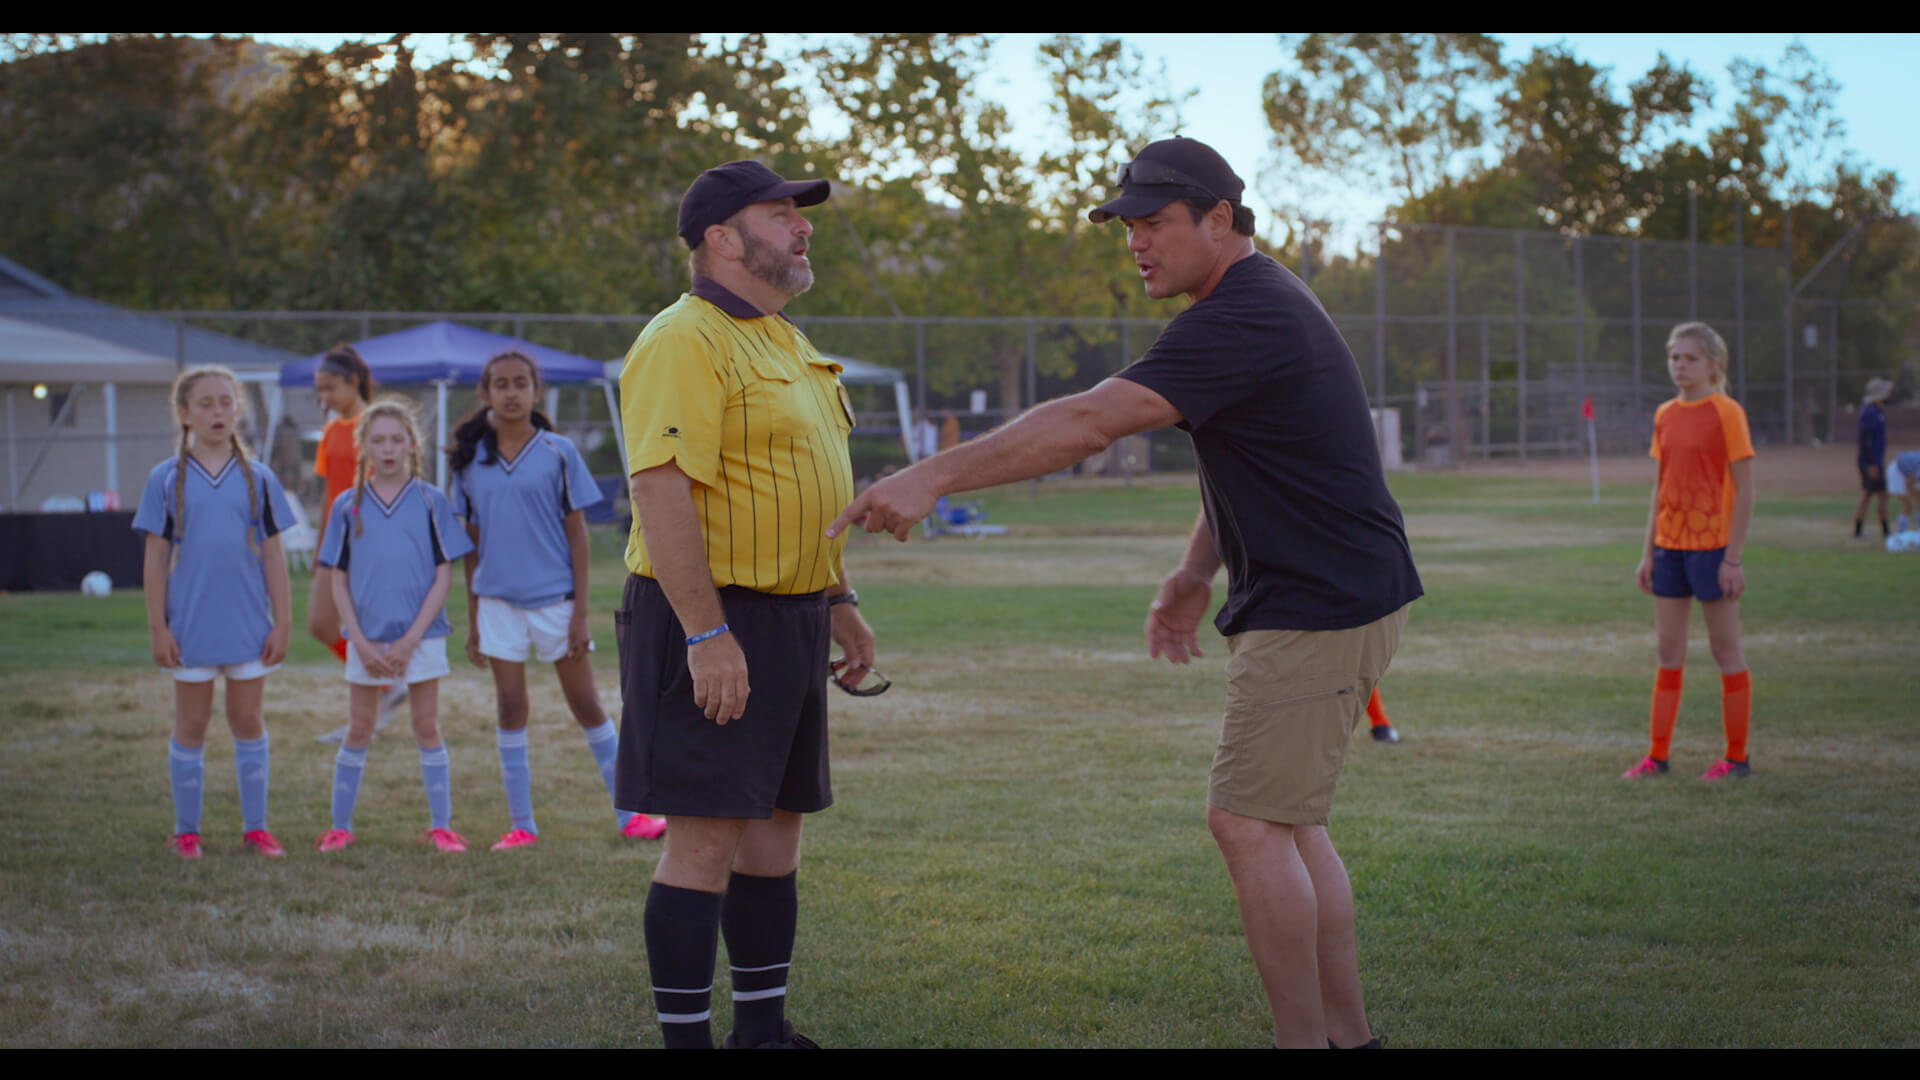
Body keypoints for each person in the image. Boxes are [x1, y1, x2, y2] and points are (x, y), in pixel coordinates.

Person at [830, 137, 1421, 1050]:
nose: (1136, 243)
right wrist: (1193, 572)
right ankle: (1348, 1039)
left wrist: (934, 475)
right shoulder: (1254, 302)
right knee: (1289, 827)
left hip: (1319, 604)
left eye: (1154, 223)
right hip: (1337, 592)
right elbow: (1255, 460)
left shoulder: (1241, 315)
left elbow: (1088, 421)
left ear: (1218, 220)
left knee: (1248, 825)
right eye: (1126, 226)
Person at [617, 159, 877, 1050]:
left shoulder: (785, 339)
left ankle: (762, 1034)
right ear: (722, 239)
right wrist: (707, 633)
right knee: (705, 841)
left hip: (792, 615)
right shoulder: (683, 338)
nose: (803, 227)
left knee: (775, 833)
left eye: (800, 215)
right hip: (712, 615)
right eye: (780, 214)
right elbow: (660, 491)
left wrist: (837, 599)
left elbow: (796, 483)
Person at [449, 350, 667, 850]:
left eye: (520, 383)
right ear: (485, 393)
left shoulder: (559, 452)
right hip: (497, 603)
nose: (511, 392)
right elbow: (471, 546)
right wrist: (475, 620)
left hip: (556, 601)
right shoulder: (469, 461)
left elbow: (577, 536)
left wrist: (579, 614)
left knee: (586, 705)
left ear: (536, 391)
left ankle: (631, 815)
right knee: (510, 706)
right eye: (500, 384)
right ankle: (521, 825)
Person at [135, 366, 296, 859]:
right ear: (184, 414)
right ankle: (187, 832)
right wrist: (158, 627)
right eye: (205, 404)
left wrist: (283, 622)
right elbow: (155, 558)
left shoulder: (259, 479)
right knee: (191, 725)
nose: (217, 412)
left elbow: (273, 556)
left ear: (238, 409)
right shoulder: (165, 479)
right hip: (190, 626)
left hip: (248, 625)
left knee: (247, 720)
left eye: (225, 402)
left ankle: (256, 830)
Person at [314, 399, 474, 853]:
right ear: (363, 446)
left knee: (426, 725)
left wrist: (410, 639)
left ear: (412, 444)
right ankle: (339, 827)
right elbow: (338, 578)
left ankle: (441, 826)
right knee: (359, 727)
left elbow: (443, 574)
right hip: (366, 640)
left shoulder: (430, 501)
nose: (388, 449)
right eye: (378, 440)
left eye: (396, 439)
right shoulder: (347, 505)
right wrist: (359, 641)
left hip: (422, 637)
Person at [1624, 322, 1756, 782]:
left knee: (1725, 650)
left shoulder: (1727, 413)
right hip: (1668, 549)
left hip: (1712, 549)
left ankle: (1736, 759)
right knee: (1668, 650)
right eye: (1674, 357)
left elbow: (1745, 491)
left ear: (1713, 365)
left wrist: (1732, 558)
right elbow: (1660, 489)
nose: (1679, 365)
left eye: (1690, 358)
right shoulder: (1665, 414)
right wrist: (1647, 553)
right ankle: (1657, 757)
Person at [308, 345, 407, 743]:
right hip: (335, 545)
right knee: (320, 624)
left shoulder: (376, 427)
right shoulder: (331, 430)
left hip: (369, 543)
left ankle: (362, 725)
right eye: (319, 389)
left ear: (353, 382)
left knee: (363, 629)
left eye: (330, 388)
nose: (324, 397)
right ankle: (388, 685)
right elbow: (328, 494)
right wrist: (320, 547)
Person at [1853, 377, 1892, 540]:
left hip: (1877, 461)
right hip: (1870, 463)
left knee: (1883, 495)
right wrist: (1870, 464)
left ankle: (1885, 531)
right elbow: (1864, 441)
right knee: (1867, 495)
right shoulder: (1869, 413)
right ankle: (1858, 531)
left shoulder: (1878, 411)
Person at [1889, 449, 1920, 532]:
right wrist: (1914, 493)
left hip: (1909, 471)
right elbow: (1909, 483)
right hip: (1897, 471)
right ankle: (1901, 533)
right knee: (1907, 506)